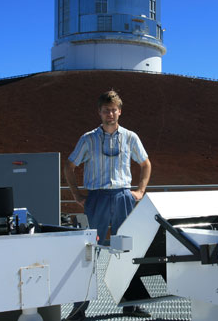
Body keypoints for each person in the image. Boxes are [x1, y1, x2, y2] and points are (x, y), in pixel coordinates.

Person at [64, 90, 152, 321]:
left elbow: (145, 163)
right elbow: (70, 166)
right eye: (106, 110)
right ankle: (79, 308)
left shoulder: (130, 137)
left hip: (123, 196)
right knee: (90, 251)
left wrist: (140, 191)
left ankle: (131, 304)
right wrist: (77, 195)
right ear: (99, 112)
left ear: (119, 111)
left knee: (127, 250)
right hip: (97, 198)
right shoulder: (88, 139)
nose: (110, 114)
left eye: (113, 110)